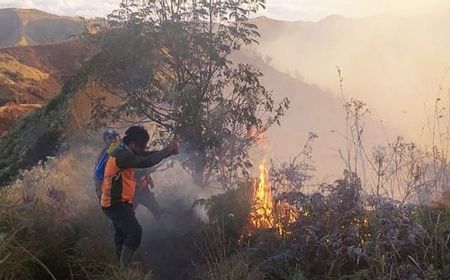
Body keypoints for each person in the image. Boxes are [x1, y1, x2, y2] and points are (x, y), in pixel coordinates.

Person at [100, 126, 178, 269]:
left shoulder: (123, 150)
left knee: (121, 235)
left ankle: (120, 266)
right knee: (136, 233)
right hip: (115, 204)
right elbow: (145, 162)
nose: (143, 149)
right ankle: (123, 269)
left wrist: (166, 151)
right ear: (132, 144)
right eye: (141, 146)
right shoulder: (122, 156)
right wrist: (167, 151)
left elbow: (145, 155)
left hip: (117, 203)